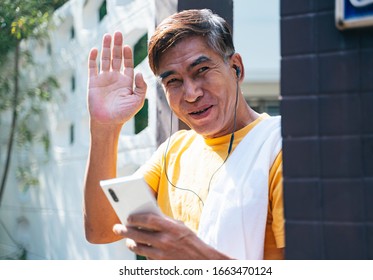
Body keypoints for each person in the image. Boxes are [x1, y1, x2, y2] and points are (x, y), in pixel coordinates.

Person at [84, 9, 284, 260]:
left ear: (236, 68)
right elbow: (100, 230)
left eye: (201, 70)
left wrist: (196, 257)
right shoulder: (174, 149)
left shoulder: (278, 149)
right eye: (173, 81)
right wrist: (104, 127)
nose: (191, 94)